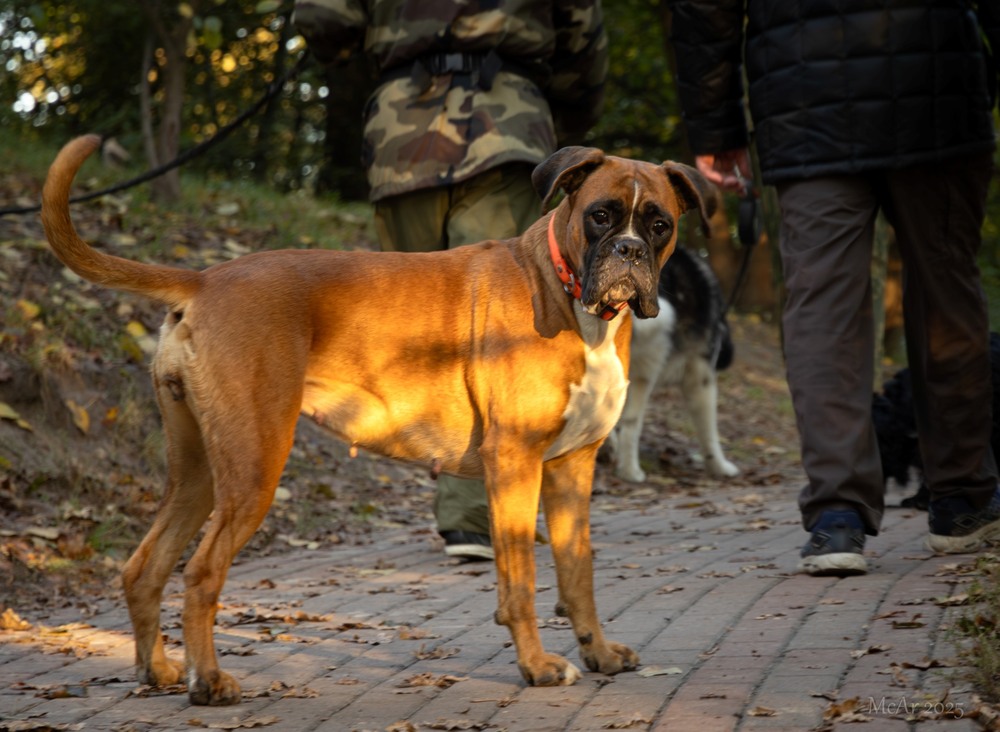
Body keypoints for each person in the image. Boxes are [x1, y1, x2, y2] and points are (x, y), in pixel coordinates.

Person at [668, 0, 1000, 576]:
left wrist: (715, 126)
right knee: (947, 297)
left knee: (821, 310)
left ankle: (837, 516)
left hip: (802, 103)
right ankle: (963, 500)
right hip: (937, 84)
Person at [292, 0, 608, 560]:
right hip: (507, 125)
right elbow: (580, 34)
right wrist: (567, 119)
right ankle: (475, 517)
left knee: (423, 324)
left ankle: (468, 516)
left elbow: (326, 18)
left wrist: (369, 61)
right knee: (507, 335)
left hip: (402, 130)